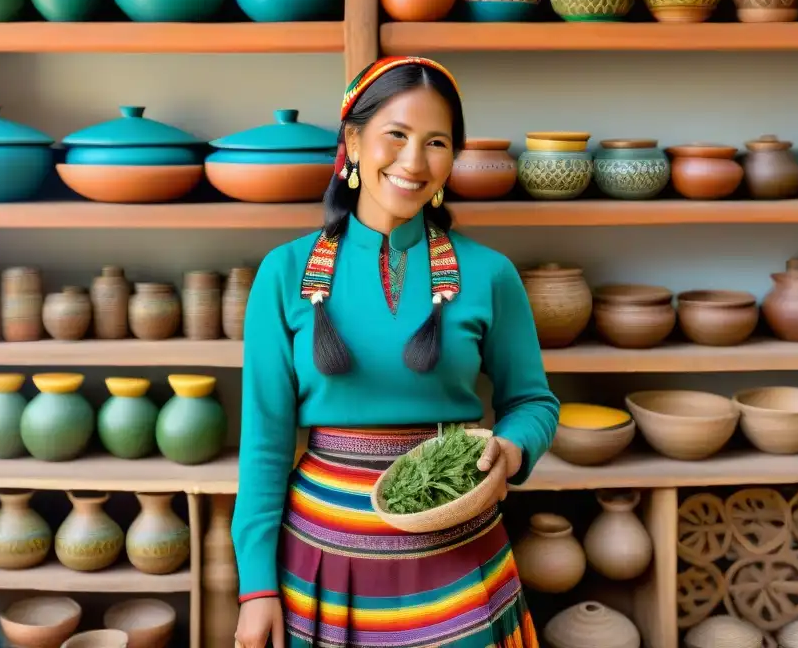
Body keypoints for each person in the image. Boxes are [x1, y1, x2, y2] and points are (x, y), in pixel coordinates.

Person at [231, 56, 560, 648]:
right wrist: (256, 589)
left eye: (437, 143)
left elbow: (533, 401)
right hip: (323, 563)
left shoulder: (490, 274)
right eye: (397, 136)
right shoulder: (283, 274)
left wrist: (513, 449)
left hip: (460, 552)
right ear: (353, 141)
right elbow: (263, 446)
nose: (414, 162)